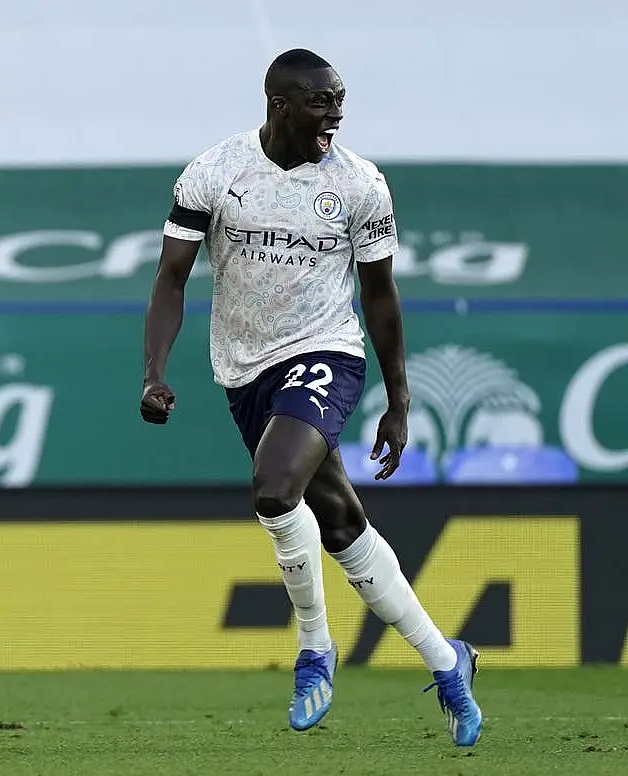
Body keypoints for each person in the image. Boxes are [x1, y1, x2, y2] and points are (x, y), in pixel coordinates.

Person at [140, 48, 482, 746]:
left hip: (326, 351)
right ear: (281, 105)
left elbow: (381, 296)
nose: (336, 114)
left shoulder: (361, 185)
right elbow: (171, 278)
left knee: (273, 489)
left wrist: (399, 399)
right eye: (323, 102)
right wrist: (154, 370)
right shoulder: (215, 172)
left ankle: (314, 648)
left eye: (340, 100)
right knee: (341, 526)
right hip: (241, 369)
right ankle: (449, 662)